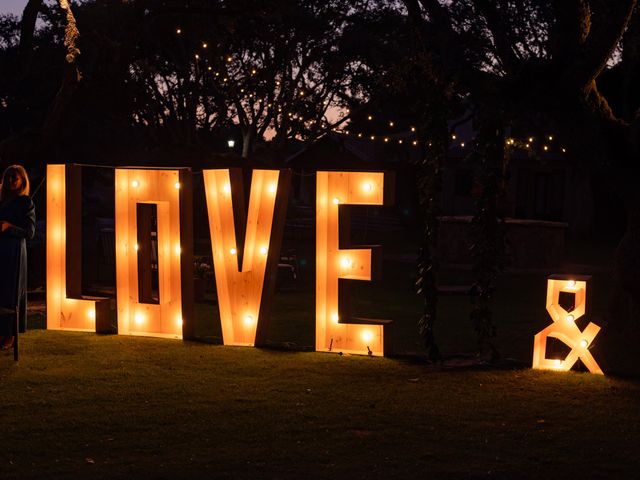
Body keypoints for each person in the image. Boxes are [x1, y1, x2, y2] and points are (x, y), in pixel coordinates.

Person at [0, 165, 36, 351]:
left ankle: (10, 334)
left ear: (22, 181)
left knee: (11, 292)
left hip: (14, 253)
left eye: (16, 178)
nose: (12, 181)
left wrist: (9, 227)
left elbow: (30, 233)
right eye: (9, 177)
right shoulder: (2, 201)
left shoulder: (25, 202)